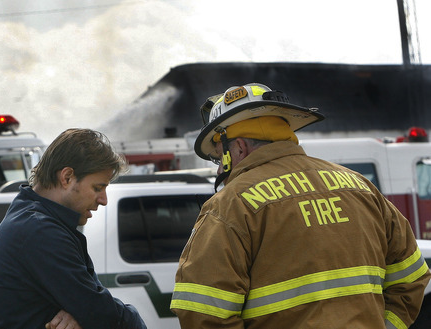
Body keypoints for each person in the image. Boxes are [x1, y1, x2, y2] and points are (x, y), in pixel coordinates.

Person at [170, 83, 431, 328]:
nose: (220, 169)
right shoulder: (360, 187)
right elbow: (412, 276)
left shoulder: (230, 206)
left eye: (219, 158)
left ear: (237, 147)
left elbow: (204, 313)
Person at [0, 128, 147, 329]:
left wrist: (82, 315)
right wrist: (126, 317)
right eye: (97, 188)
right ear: (67, 177)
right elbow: (104, 315)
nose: (103, 200)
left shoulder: (33, 221)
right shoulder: (41, 231)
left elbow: (93, 309)